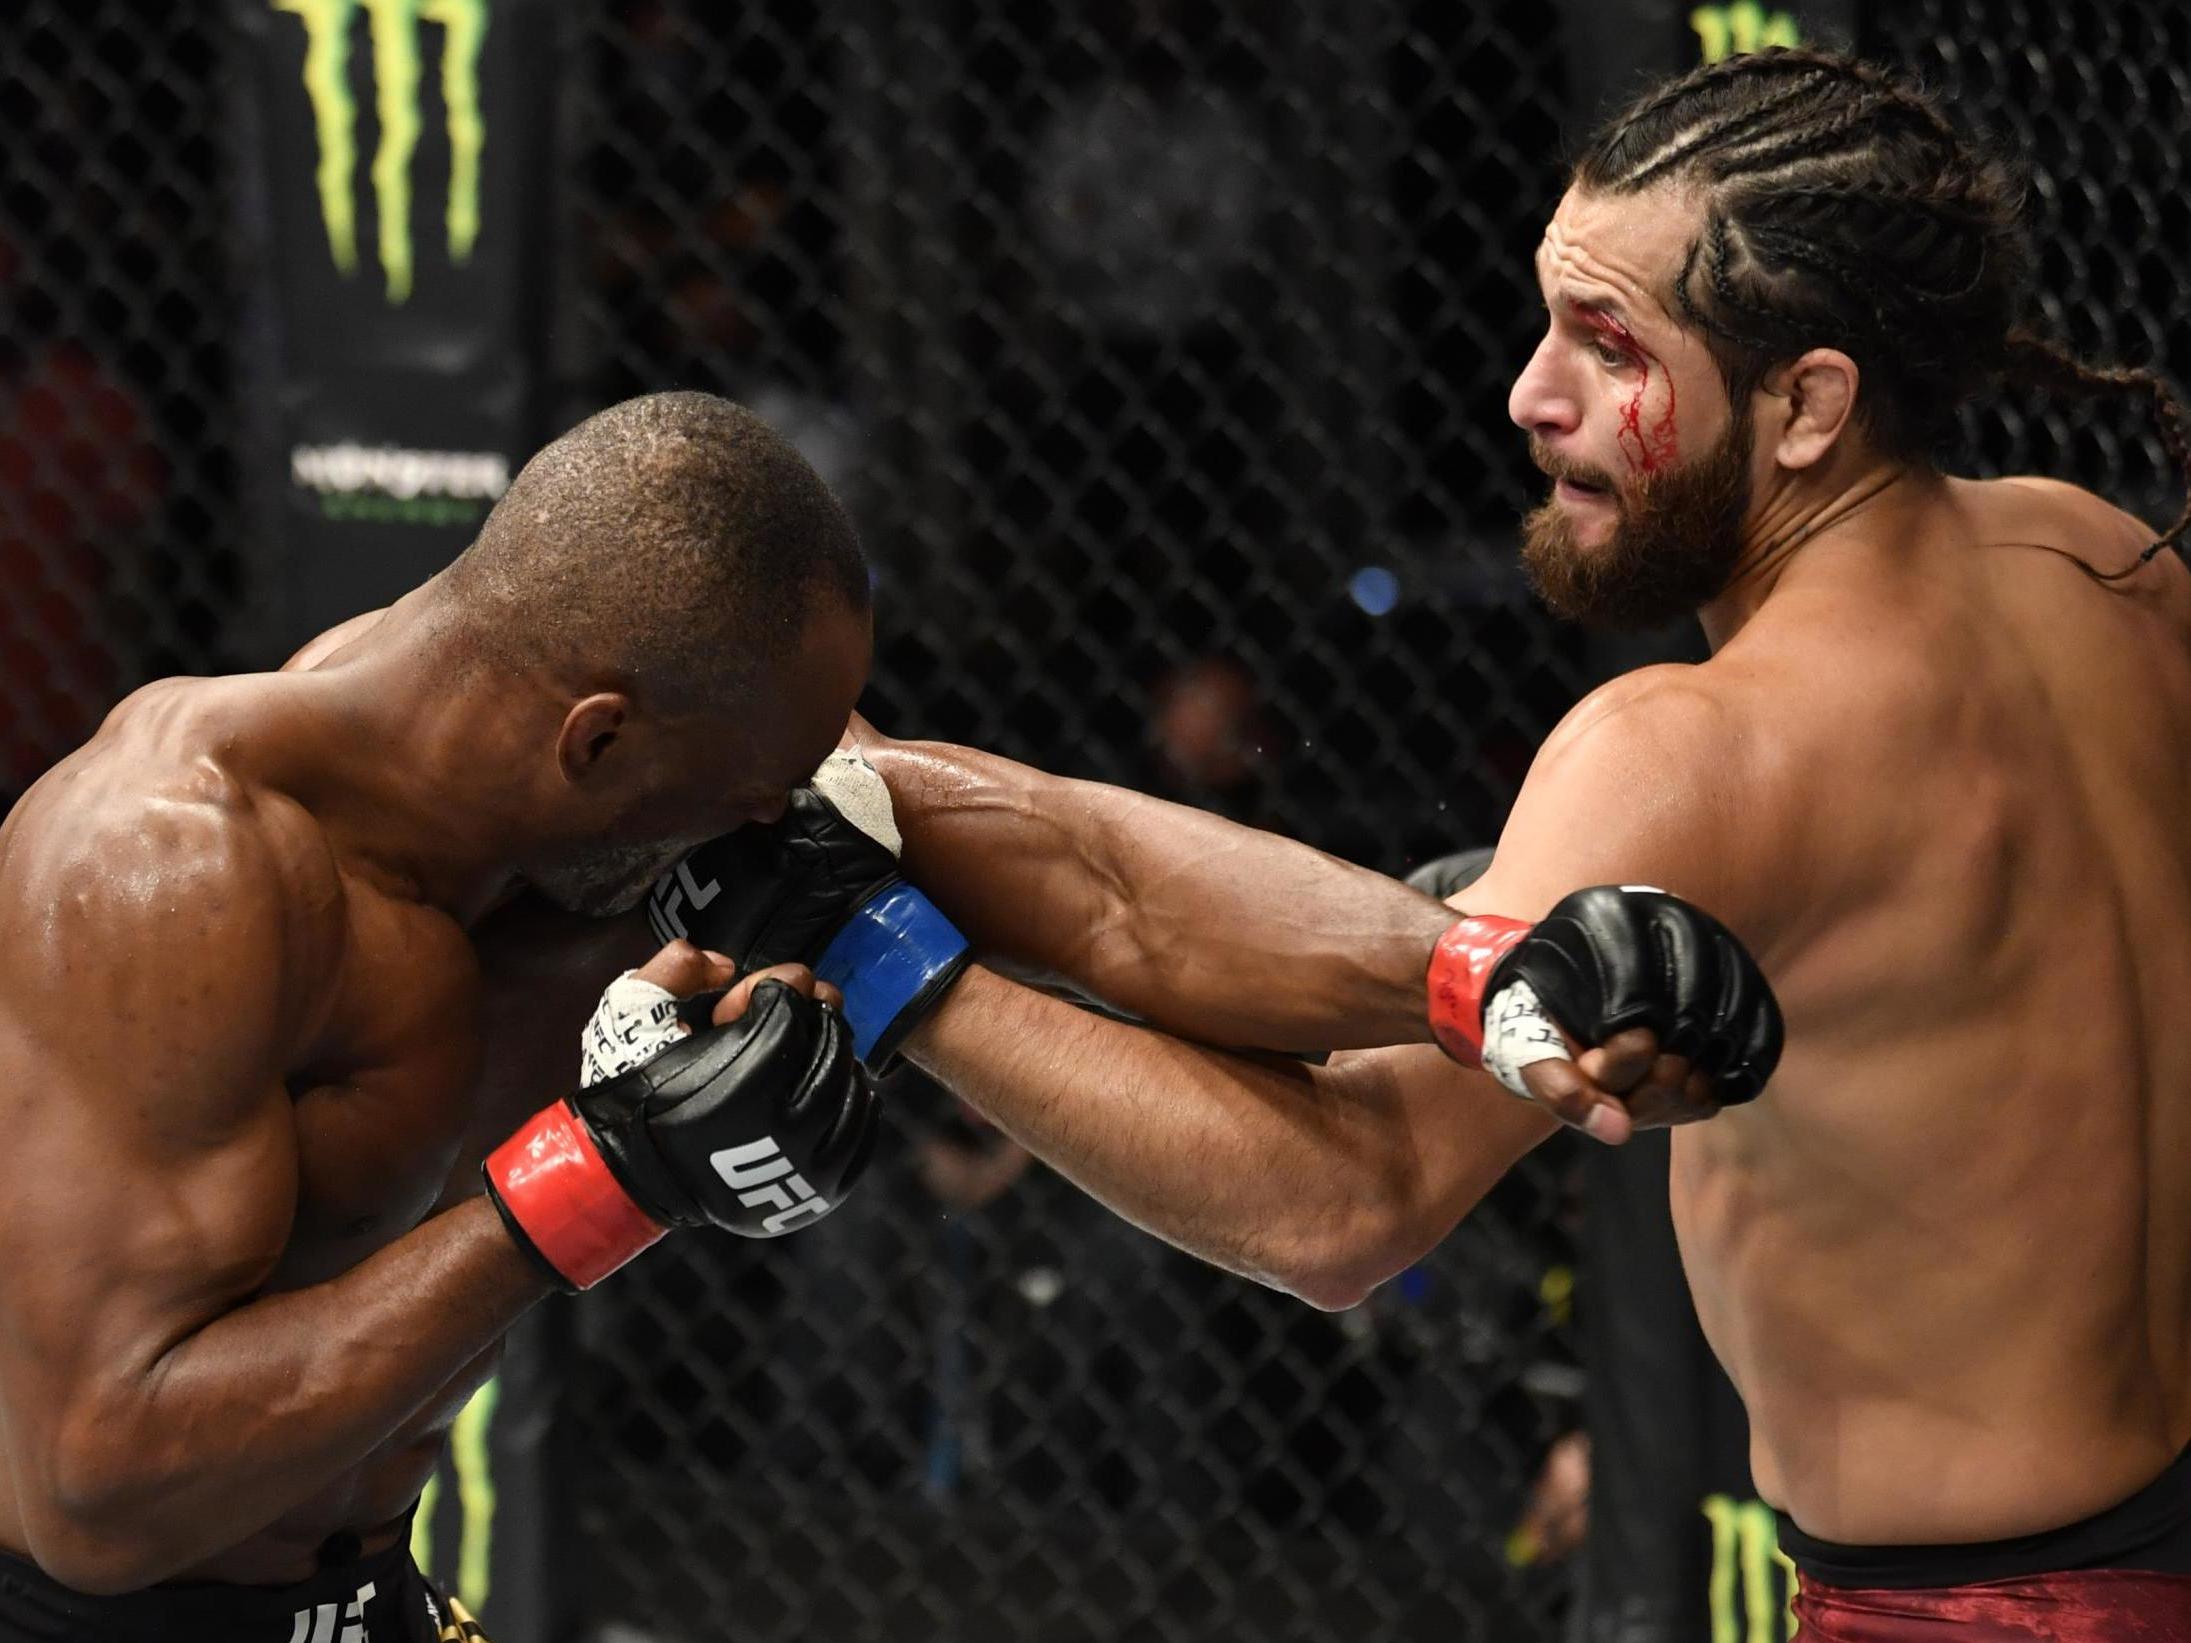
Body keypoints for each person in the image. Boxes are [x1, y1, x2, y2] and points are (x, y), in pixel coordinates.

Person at [671, 47, 2191, 1636]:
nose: (1528, 394)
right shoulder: (2099, 563)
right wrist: (865, 782)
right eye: (1547, 320)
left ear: (1805, 404)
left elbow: (1345, 1201)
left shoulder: (1691, 750)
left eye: (1607, 347)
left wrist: (885, 958)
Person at [0, 391, 883, 1642]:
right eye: (740, 797)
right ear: (597, 738)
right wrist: (609, 1169)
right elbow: (100, 1492)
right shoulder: (177, 875)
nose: (753, 831)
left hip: (370, 1599)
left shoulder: (506, 759)